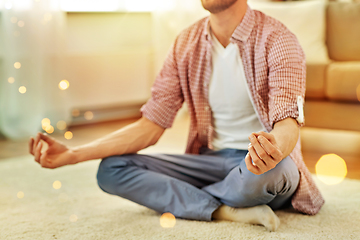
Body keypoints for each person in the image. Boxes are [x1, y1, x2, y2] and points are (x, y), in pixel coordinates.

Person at [29, 0, 324, 231]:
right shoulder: (186, 43)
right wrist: (74, 154)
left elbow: (288, 123)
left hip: (260, 167)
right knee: (111, 170)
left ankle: (187, 198)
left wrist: (271, 151)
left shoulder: (279, 39)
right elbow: (150, 125)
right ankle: (223, 210)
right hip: (208, 160)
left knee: (268, 175)